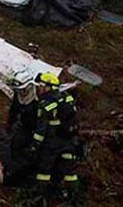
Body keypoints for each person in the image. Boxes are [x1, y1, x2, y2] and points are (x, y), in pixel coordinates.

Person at [30, 72, 80, 202]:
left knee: (43, 171)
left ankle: (41, 198)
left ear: (48, 87)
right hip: (70, 140)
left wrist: (34, 145)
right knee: (70, 172)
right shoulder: (67, 97)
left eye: (41, 86)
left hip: (53, 141)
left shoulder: (46, 103)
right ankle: (74, 198)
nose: (38, 89)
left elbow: (41, 128)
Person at [4, 75, 39, 187]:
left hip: (39, 128)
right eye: (19, 90)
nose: (22, 92)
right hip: (25, 126)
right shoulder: (18, 96)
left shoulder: (39, 96)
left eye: (24, 89)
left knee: (35, 153)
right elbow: (14, 109)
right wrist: (10, 123)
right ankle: (16, 172)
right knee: (16, 145)